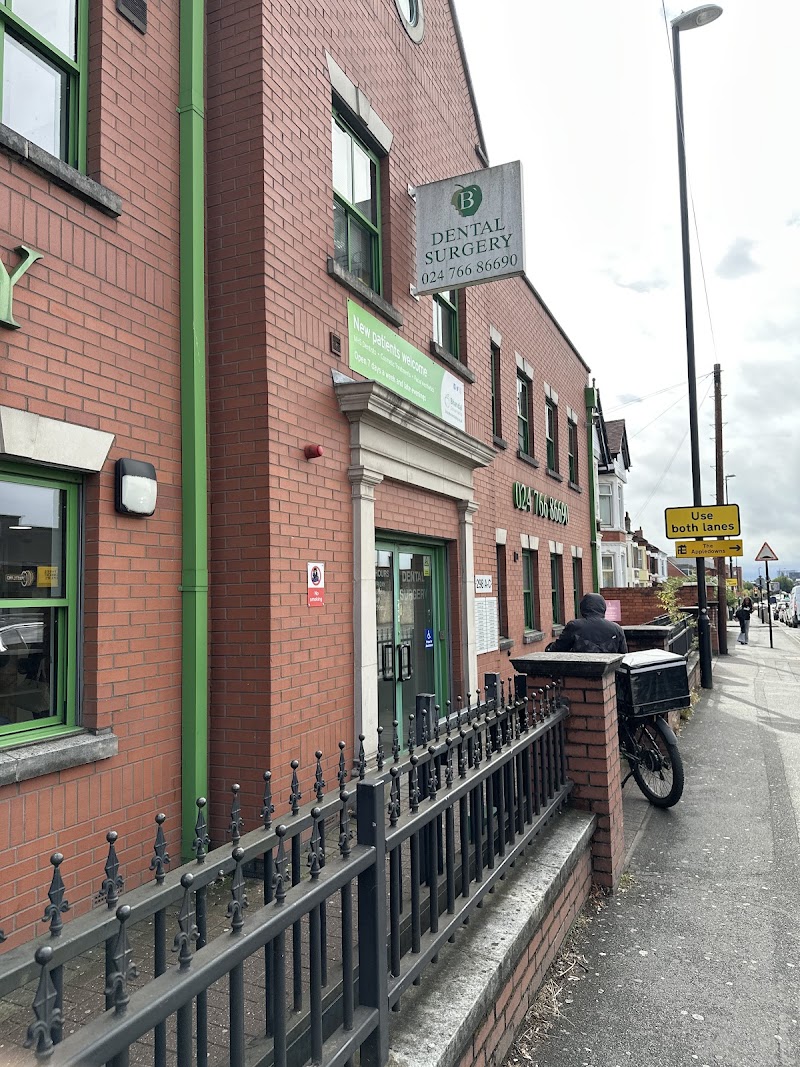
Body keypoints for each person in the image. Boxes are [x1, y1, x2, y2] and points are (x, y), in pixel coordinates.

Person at [545, 593, 628, 654]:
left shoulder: (574, 626)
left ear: (583, 607)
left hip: (580, 673)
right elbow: (623, 655)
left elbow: (558, 649)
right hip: (610, 674)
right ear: (603, 608)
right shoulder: (617, 629)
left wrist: (548, 648)